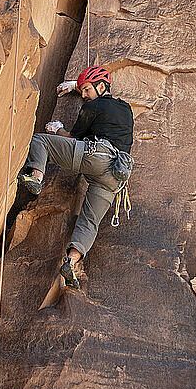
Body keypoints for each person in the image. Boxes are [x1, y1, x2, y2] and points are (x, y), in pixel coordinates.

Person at [18, 66, 134, 288]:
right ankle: (71, 262)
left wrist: (57, 129)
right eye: (82, 91)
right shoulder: (125, 109)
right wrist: (77, 86)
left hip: (97, 156)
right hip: (116, 176)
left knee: (40, 141)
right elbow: (102, 105)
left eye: (86, 90)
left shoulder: (93, 105)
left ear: (101, 87)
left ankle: (36, 177)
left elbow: (72, 137)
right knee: (90, 221)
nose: (83, 95)